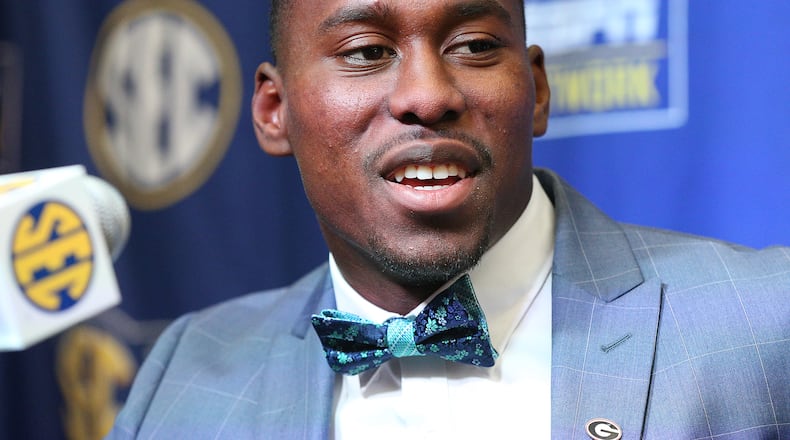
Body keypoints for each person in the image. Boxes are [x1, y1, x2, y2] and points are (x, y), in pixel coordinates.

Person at [108, 0, 790, 438]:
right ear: (273, 110)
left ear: (538, 90)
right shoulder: (187, 368)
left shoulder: (765, 322)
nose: (428, 96)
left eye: (473, 45)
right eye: (367, 52)